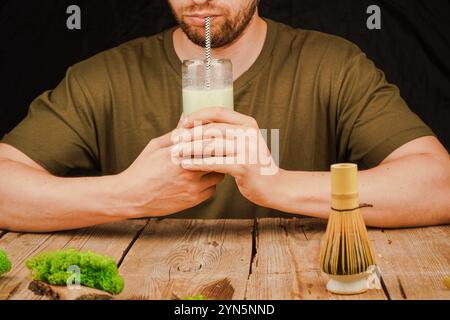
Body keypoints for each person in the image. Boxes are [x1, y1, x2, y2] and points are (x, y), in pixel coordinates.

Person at [0, 0, 449, 232]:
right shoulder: (103, 77)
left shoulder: (332, 66)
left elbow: (438, 185)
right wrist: (127, 194)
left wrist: (278, 183)